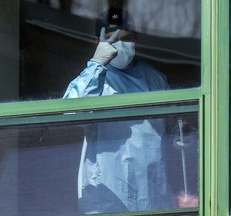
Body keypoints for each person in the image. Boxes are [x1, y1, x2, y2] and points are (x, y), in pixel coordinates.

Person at [63, 7, 197, 213]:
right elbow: (69, 114)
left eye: (126, 36)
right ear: (96, 42)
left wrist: (182, 136)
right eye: (111, 37)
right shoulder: (93, 78)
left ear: (136, 38)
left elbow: (170, 130)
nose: (120, 42)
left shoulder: (154, 78)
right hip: (107, 196)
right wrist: (97, 63)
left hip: (152, 193)